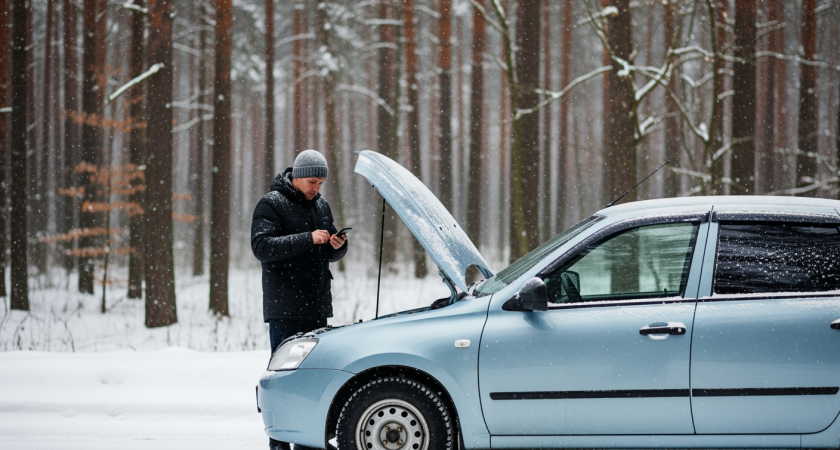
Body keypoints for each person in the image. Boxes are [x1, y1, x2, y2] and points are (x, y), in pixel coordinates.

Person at [251, 149, 348, 450]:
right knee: (285, 380)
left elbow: (326, 253)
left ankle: (308, 443)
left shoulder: (322, 206)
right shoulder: (271, 203)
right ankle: (280, 443)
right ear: (297, 176)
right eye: (312, 182)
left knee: (312, 381)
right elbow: (262, 247)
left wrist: (337, 246)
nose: (316, 188)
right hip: (285, 308)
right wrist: (308, 238)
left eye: (321, 183)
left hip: (316, 306)